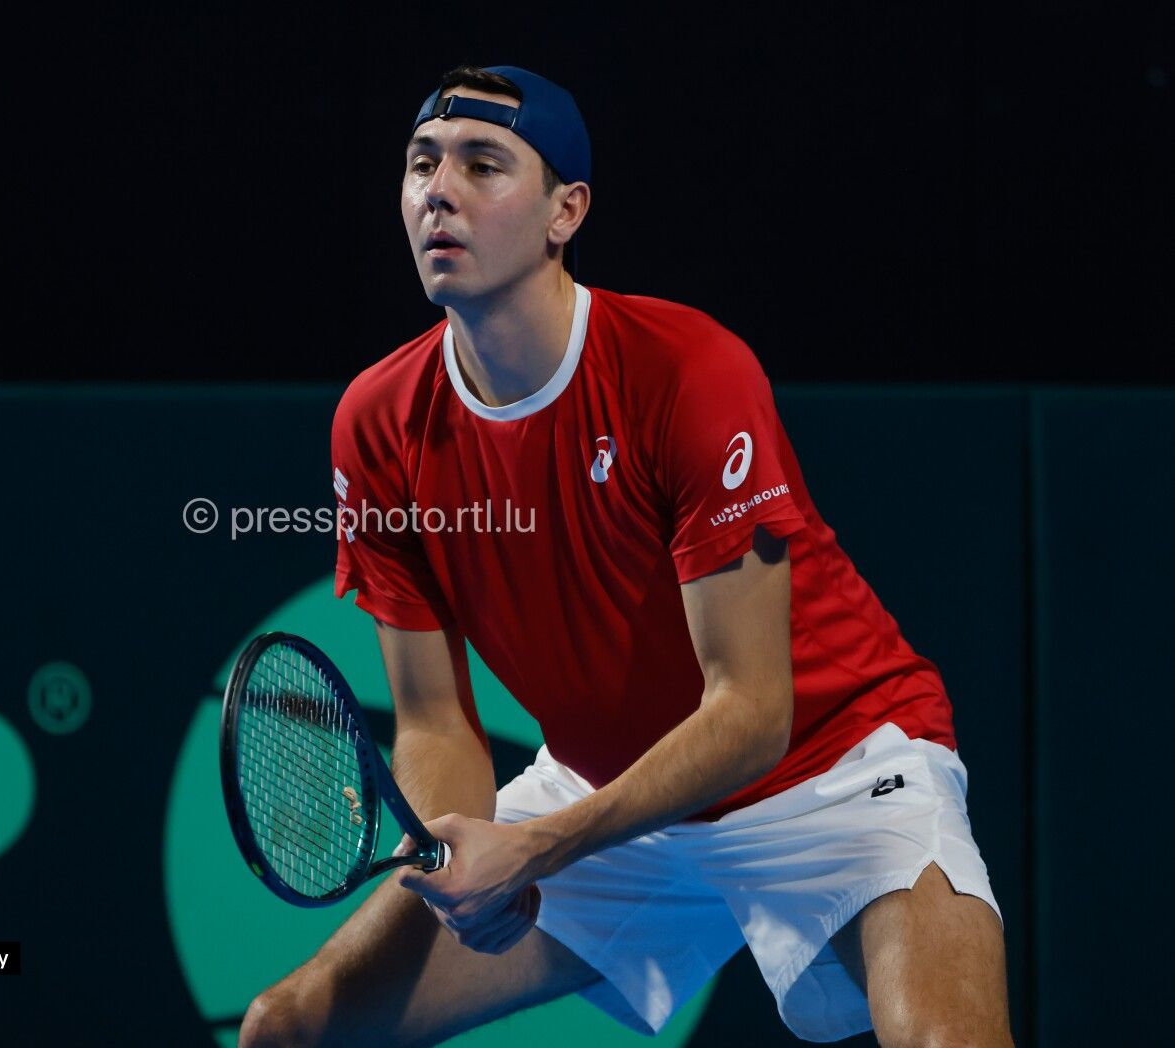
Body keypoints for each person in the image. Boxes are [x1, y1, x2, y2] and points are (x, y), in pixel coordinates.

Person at [240, 64, 1012, 1047]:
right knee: (287, 1029)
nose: (440, 191)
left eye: (483, 165)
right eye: (422, 164)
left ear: (566, 212)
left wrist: (534, 848)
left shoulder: (685, 372)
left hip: (833, 768)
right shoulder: (378, 422)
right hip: (608, 789)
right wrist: (462, 858)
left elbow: (752, 713)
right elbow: (434, 719)